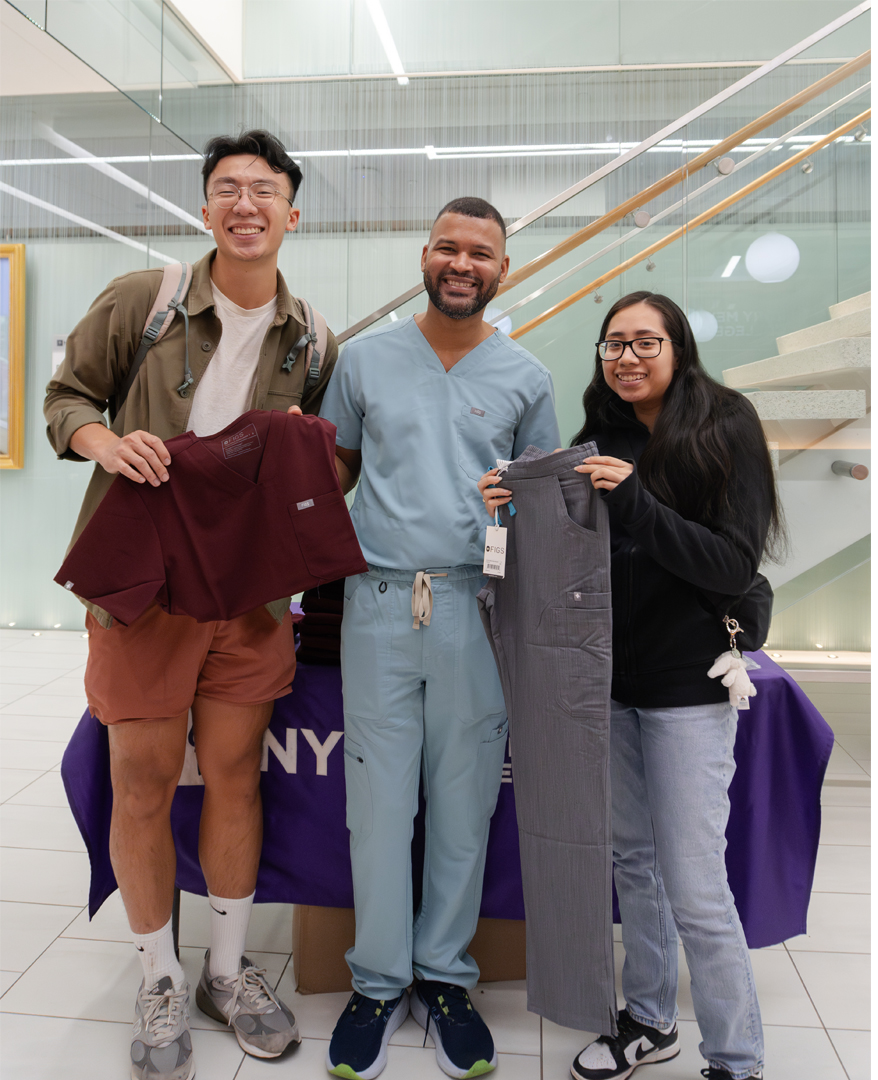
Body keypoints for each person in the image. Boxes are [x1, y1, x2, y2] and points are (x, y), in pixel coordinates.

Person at [43, 129, 339, 1080]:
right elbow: (64, 398)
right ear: (206, 208)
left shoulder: (312, 338)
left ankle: (224, 969)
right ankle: (158, 971)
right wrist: (104, 442)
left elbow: (332, 469)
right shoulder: (149, 298)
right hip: (142, 589)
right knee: (143, 778)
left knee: (237, 775)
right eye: (226, 189)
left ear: (294, 212)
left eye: (264, 189)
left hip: (248, 596)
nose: (245, 204)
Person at [483, 290, 779, 1080]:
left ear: (678, 347)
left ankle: (738, 1058)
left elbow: (731, 565)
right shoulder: (593, 443)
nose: (627, 358)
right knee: (634, 867)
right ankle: (648, 1021)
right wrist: (505, 518)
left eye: (645, 342)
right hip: (605, 686)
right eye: (613, 345)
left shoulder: (726, 427)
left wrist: (637, 502)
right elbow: (559, 568)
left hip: (689, 690)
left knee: (694, 884)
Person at [319, 195, 561, 1079]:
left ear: (505, 269)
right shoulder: (365, 361)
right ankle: (379, 982)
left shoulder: (526, 377)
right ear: (424, 256)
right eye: (448, 248)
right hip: (379, 602)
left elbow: (546, 507)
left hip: (477, 605)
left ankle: (446, 977)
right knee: (379, 807)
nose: (463, 264)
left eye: (481, 253)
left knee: (464, 804)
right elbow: (331, 471)